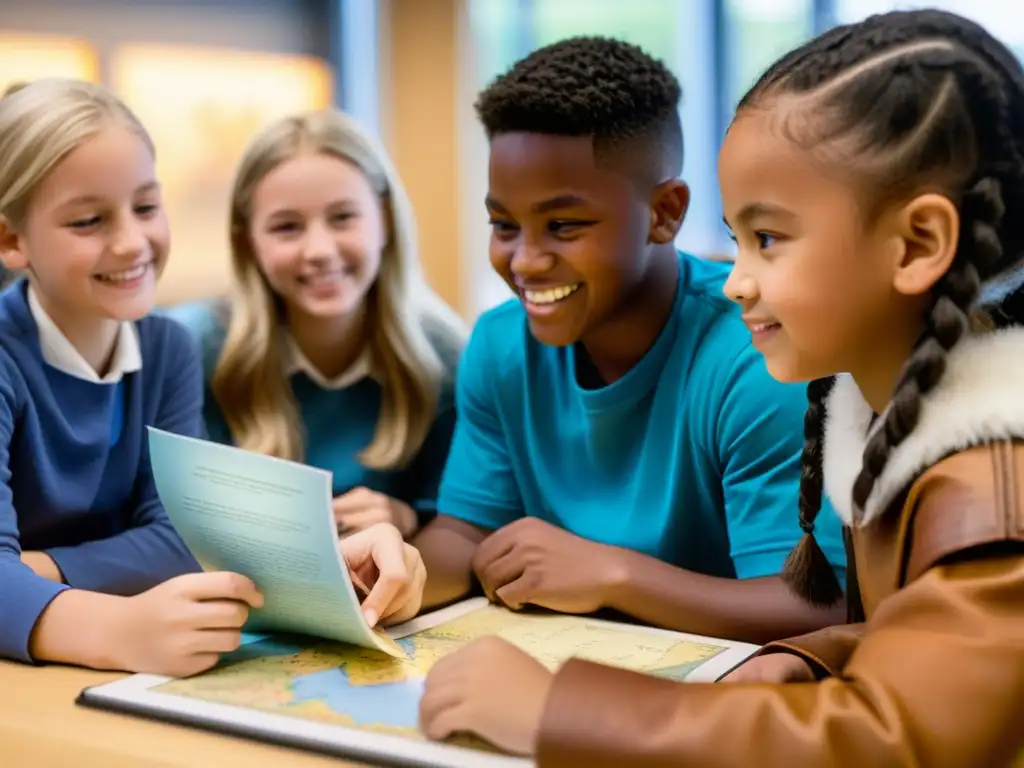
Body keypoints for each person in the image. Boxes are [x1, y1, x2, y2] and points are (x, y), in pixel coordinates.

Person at [418, 10, 1024, 765]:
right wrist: (817, 657)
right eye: (738, 240)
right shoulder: (899, 433)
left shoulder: (988, 492)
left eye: (767, 239)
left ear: (918, 245)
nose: (735, 281)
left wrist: (558, 710)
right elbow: (929, 636)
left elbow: (896, 741)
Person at [412, 35, 847, 644]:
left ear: (665, 213)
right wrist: (399, 570)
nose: (526, 261)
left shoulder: (760, 354)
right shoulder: (499, 345)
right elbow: (464, 534)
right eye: (504, 225)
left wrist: (614, 575)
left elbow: (813, 610)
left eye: (563, 225)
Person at [0, 80, 425, 676]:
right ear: (12, 240)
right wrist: (113, 626)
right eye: (90, 220)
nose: (131, 242)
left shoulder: (167, 347)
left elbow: (177, 540)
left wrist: (32, 571)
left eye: (146, 207)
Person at [168, 110, 465, 540]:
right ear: (247, 241)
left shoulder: (447, 360)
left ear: (385, 220)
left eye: (343, 218)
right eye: (287, 227)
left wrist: (407, 518)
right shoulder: (192, 349)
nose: (320, 250)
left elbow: (466, 524)